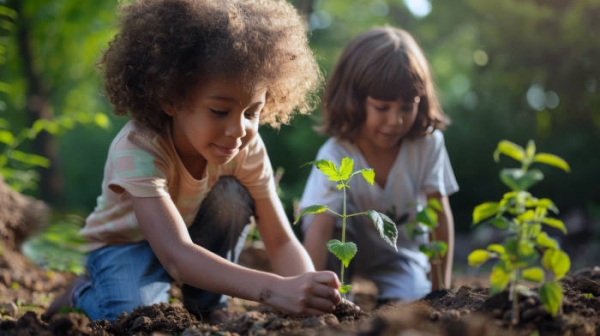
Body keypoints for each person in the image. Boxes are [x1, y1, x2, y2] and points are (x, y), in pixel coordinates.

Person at [42, 0, 342, 323]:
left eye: (251, 112)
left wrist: (312, 294)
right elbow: (176, 255)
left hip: (192, 241)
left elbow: (281, 241)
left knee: (231, 198)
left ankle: (208, 305)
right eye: (219, 111)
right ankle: (81, 294)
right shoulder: (138, 148)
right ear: (171, 98)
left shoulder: (246, 147)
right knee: (134, 317)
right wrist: (274, 290)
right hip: (126, 247)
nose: (239, 129)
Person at [299, 26, 458, 306]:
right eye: (382, 108)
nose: (395, 120)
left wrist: (440, 290)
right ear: (355, 101)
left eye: (407, 107)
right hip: (342, 246)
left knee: (411, 302)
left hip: (401, 253)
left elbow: (438, 215)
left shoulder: (427, 145)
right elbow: (320, 227)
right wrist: (310, 289)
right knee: (333, 299)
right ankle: (335, 292)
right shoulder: (337, 153)